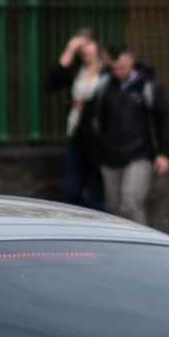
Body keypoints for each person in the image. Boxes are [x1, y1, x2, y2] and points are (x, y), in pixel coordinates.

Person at [83, 45, 169, 224]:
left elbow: (164, 119)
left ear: (131, 61)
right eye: (115, 68)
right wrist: (97, 152)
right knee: (114, 208)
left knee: (131, 203)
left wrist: (164, 152)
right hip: (109, 156)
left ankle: (142, 246)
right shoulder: (103, 86)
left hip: (139, 154)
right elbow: (91, 120)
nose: (119, 72)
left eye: (122, 67)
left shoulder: (147, 86)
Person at [42, 30, 107, 211]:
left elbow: (112, 102)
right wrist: (69, 51)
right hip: (76, 136)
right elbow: (51, 83)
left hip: (97, 139)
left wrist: (88, 106)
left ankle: (99, 231)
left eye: (88, 44)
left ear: (97, 45)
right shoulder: (75, 72)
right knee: (72, 191)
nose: (84, 49)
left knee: (95, 191)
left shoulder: (106, 72)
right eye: (80, 46)